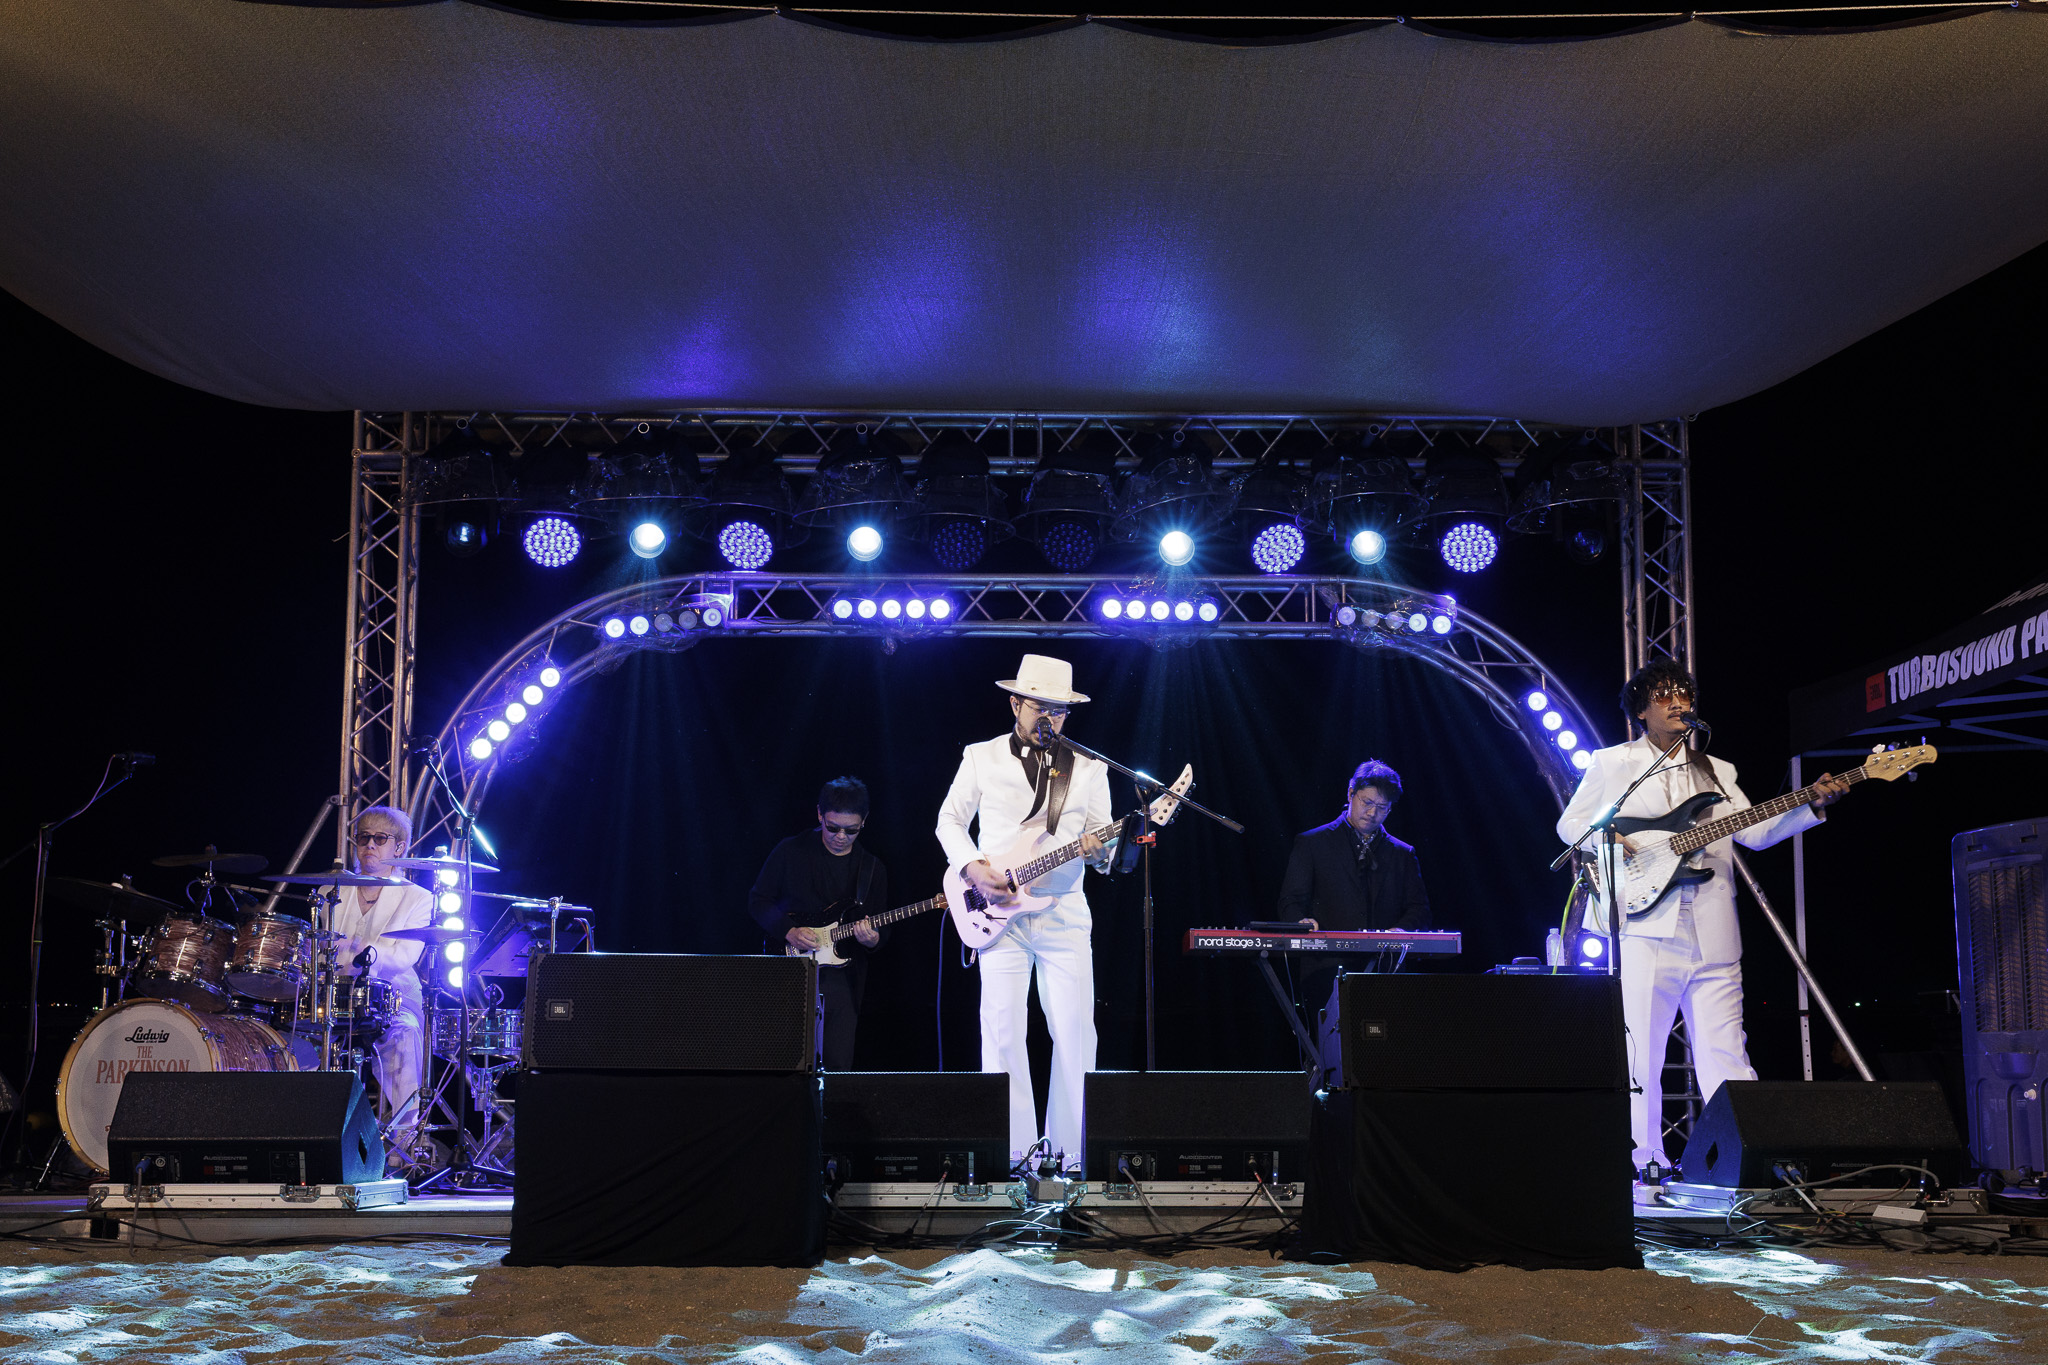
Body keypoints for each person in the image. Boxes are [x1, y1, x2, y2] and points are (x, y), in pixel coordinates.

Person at [1556, 661, 1849, 1177]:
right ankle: (1643, 1161)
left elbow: (1754, 832)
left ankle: (1741, 1162)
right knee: (1640, 1054)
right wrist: (1614, 839)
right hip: (1646, 925)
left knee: (1726, 1052)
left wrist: (1811, 805)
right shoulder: (1614, 762)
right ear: (1641, 710)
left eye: (1684, 694)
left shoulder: (1718, 770)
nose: (1678, 702)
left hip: (1712, 928)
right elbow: (1571, 824)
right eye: (1664, 695)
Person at [936, 654, 1116, 1171]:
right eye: (1041, 707)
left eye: (1059, 710)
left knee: (1076, 1031)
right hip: (997, 911)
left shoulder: (1090, 767)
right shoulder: (981, 756)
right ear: (1016, 703)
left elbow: (1103, 848)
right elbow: (949, 820)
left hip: (1064, 911)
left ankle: (1070, 1156)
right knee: (1003, 1030)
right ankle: (1013, 1156)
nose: (1050, 718)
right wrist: (972, 868)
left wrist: (1099, 851)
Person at [1276, 759, 1432, 1048]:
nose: (1372, 813)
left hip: (1386, 972)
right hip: (1324, 970)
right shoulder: (1313, 843)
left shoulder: (1402, 854)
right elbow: (1290, 901)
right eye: (1366, 802)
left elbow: (1419, 909)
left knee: (1384, 1051)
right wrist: (1300, 922)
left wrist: (1401, 931)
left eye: (1382, 807)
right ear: (1350, 794)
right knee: (1330, 1053)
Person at [749, 777, 889, 1071]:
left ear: (864, 821)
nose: (841, 837)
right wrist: (788, 931)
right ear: (819, 814)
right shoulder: (790, 851)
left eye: (851, 830)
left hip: (843, 979)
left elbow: (881, 928)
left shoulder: (872, 869)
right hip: (789, 972)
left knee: (837, 1066)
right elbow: (758, 901)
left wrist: (873, 939)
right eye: (833, 827)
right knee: (784, 1062)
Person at [328, 805, 435, 1148]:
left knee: (405, 1034)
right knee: (298, 1033)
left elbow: (404, 957)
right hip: (337, 995)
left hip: (393, 996)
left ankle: (406, 1141)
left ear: (399, 847)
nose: (369, 845)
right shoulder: (331, 891)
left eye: (379, 838)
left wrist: (358, 953)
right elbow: (320, 950)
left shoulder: (418, 899)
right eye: (363, 838)